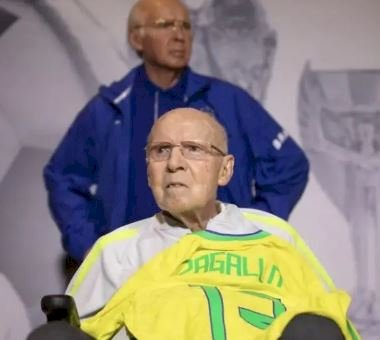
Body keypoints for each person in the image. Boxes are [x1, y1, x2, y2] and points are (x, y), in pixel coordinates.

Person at [30, 108, 357, 340]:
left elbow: (331, 323)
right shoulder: (117, 249)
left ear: (225, 170)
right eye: (161, 151)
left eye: (193, 150)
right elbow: (77, 330)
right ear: (148, 171)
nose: (174, 163)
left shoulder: (274, 236)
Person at [43, 0, 309, 263]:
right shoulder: (109, 109)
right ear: (137, 39)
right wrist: (89, 247)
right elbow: (63, 177)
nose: (179, 35)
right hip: (132, 274)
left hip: (214, 268)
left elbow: (290, 165)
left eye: (185, 26)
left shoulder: (228, 101)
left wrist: (250, 229)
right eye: (165, 25)